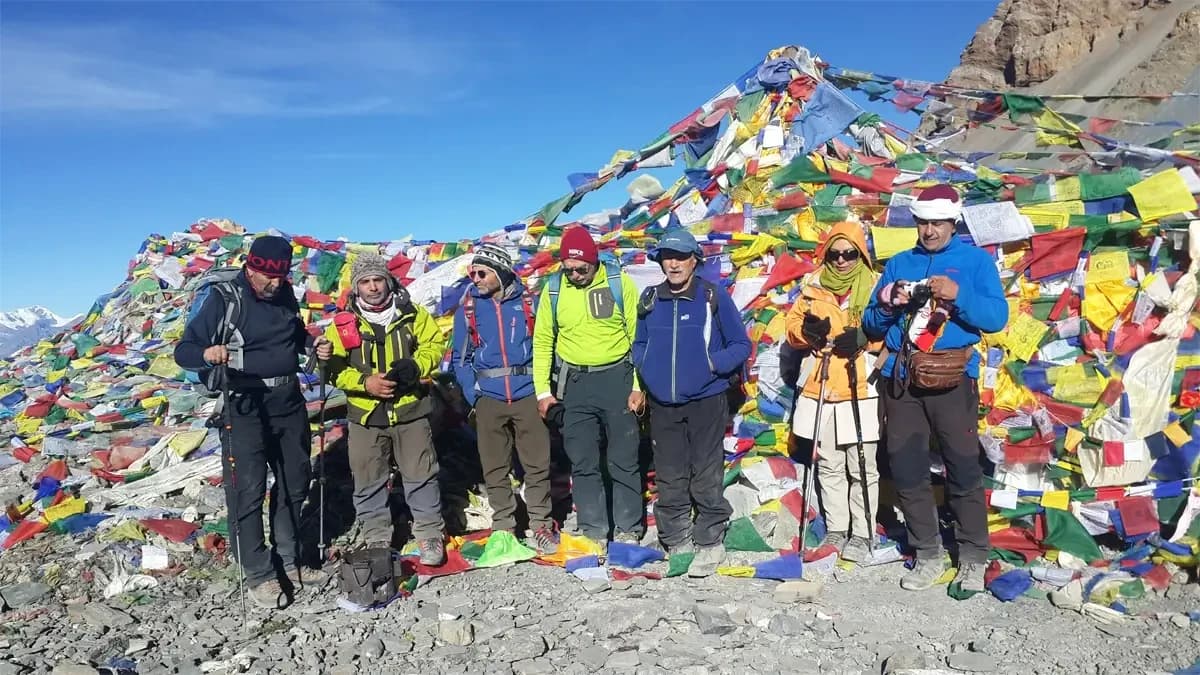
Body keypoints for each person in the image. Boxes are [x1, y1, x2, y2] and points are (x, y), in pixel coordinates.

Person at [863, 184, 1008, 592]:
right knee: (907, 466)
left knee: (962, 465)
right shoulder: (899, 263)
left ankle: (973, 556)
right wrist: (888, 301)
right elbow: (871, 325)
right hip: (903, 377)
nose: (930, 231)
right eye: (924, 223)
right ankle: (927, 552)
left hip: (952, 379)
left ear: (953, 222)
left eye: (938, 223)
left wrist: (957, 295)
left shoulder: (976, 262)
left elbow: (996, 317)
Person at [174, 235, 328, 609]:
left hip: (287, 398)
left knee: (294, 480)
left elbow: (293, 335)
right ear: (251, 266)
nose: (273, 284)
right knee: (248, 487)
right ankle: (259, 573)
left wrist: (311, 345)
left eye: (280, 276)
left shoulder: (286, 294)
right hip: (243, 402)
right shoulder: (225, 297)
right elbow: (184, 350)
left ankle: (289, 561)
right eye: (265, 276)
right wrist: (208, 353)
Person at [632, 230, 751, 577]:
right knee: (669, 474)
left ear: (694, 260)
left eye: (681, 256)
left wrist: (713, 365)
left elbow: (740, 344)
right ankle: (675, 537)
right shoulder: (651, 298)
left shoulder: (712, 296)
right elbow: (639, 343)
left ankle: (710, 539)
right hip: (663, 403)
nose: (673, 263)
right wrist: (647, 368)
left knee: (705, 472)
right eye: (667, 256)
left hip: (706, 400)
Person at [316, 253, 448, 565]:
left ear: (388, 281)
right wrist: (365, 383)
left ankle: (429, 534)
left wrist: (416, 365)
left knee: (421, 475)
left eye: (378, 280)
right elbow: (334, 369)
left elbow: (435, 346)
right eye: (365, 282)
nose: (373, 287)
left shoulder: (412, 313)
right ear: (356, 287)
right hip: (365, 416)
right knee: (368, 479)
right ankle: (376, 536)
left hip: (410, 409)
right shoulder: (342, 324)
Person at [532, 226, 643, 548]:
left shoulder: (618, 284)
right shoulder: (553, 289)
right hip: (575, 384)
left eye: (583, 269)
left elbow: (638, 338)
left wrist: (638, 385)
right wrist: (543, 392)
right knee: (583, 460)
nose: (576, 275)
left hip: (618, 379)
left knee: (623, 458)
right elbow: (543, 342)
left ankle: (627, 528)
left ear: (595, 262)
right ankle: (594, 529)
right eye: (569, 269)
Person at [450, 243, 558, 554]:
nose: (477, 278)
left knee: (537, 464)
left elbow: (545, 345)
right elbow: (460, 358)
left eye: (482, 272)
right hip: (489, 398)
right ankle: (505, 528)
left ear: (500, 271)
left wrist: (543, 389)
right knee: (495, 468)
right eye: (473, 272)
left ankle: (540, 525)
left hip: (527, 393)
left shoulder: (528, 303)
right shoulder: (469, 308)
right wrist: (475, 396)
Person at [785, 221, 882, 563]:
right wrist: (807, 332)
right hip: (822, 385)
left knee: (861, 464)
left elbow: (890, 328)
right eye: (835, 253)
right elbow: (792, 326)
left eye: (850, 253)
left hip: (860, 385)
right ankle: (838, 528)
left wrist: (866, 338)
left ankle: (862, 531)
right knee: (828, 463)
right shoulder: (813, 286)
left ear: (861, 255)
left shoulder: (874, 287)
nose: (841, 261)